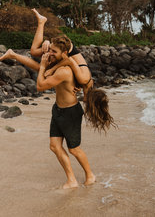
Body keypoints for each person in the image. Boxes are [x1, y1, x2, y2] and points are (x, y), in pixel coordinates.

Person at [36, 36, 116, 189]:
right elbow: (67, 61)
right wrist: (49, 62)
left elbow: (40, 87)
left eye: (54, 51)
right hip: (58, 110)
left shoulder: (64, 72)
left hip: (70, 112)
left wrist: (42, 66)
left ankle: (90, 175)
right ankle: (71, 180)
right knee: (54, 146)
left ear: (64, 52)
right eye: (50, 50)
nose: (49, 53)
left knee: (74, 149)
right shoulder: (63, 63)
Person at [0, 8, 93, 100]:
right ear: (88, 89)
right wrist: (52, 69)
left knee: (41, 68)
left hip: (64, 54)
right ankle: (41, 22)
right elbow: (69, 60)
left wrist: (75, 85)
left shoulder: (81, 82)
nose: (84, 99)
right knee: (35, 53)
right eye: (86, 97)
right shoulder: (84, 79)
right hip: (67, 50)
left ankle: (13, 55)